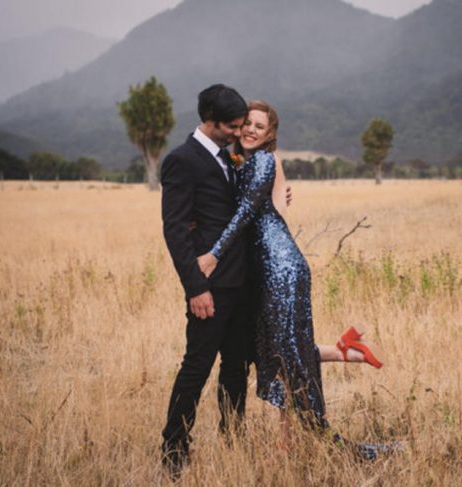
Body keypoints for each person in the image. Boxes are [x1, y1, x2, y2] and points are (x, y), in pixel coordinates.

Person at [197, 100, 388, 458]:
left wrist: (212, 255)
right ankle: (344, 350)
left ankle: (290, 447)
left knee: (284, 355)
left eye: (260, 126)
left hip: (280, 269)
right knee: (272, 350)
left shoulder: (264, 161)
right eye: (247, 124)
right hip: (262, 270)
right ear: (239, 127)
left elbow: (243, 216)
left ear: (270, 134)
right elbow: (273, 210)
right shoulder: (242, 163)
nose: (252, 130)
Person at [159, 84, 253, 475]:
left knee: (236, 367)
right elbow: (175, 230)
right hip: (210, 287)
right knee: (197, 366)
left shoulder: (231, 155)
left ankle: (233, 440)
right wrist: (196, 287)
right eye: (232, 126)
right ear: (210, 122)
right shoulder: (182, 160)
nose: (239, 132)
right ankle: (174, 452)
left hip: (242, 282)